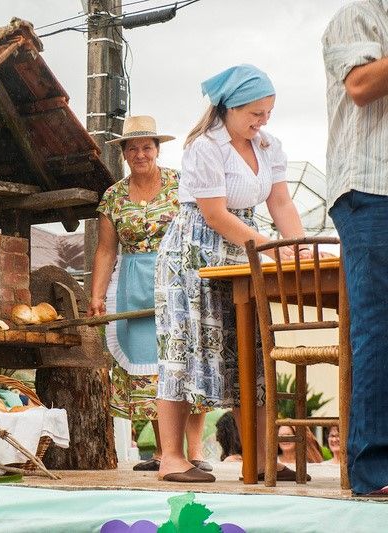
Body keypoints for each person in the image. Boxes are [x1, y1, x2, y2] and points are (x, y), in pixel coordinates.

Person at [154, 64, 311, 483]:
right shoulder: (204, 147)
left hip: (243, 250)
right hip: (193, 254)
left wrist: (297, 247)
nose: (263, 121)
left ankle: (260, 458)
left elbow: (281, 204)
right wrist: (269, 248)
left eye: (268, 113)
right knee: (184, 352)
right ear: (230, 108)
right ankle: (171, 457)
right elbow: (215, 214)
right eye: (255, 114)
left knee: (250, 349)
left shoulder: (268, 146)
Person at [88, 115, 211, 474]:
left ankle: (196, 448)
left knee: (186, 360)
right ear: (124, 154)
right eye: (132, 148)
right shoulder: (113, 197)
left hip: (179, 278)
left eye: (146, 147)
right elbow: (106, 250)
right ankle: (162, 450)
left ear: (157, 150)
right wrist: (96, 295)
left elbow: (201, 229)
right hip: (133, 283)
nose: (140, 153)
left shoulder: (180, 184)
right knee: (150, 368)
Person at [322, 1, 388, 496]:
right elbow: (362, 86)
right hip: (372, 188)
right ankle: (376, 471)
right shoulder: (359, 14)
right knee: (380, 326)